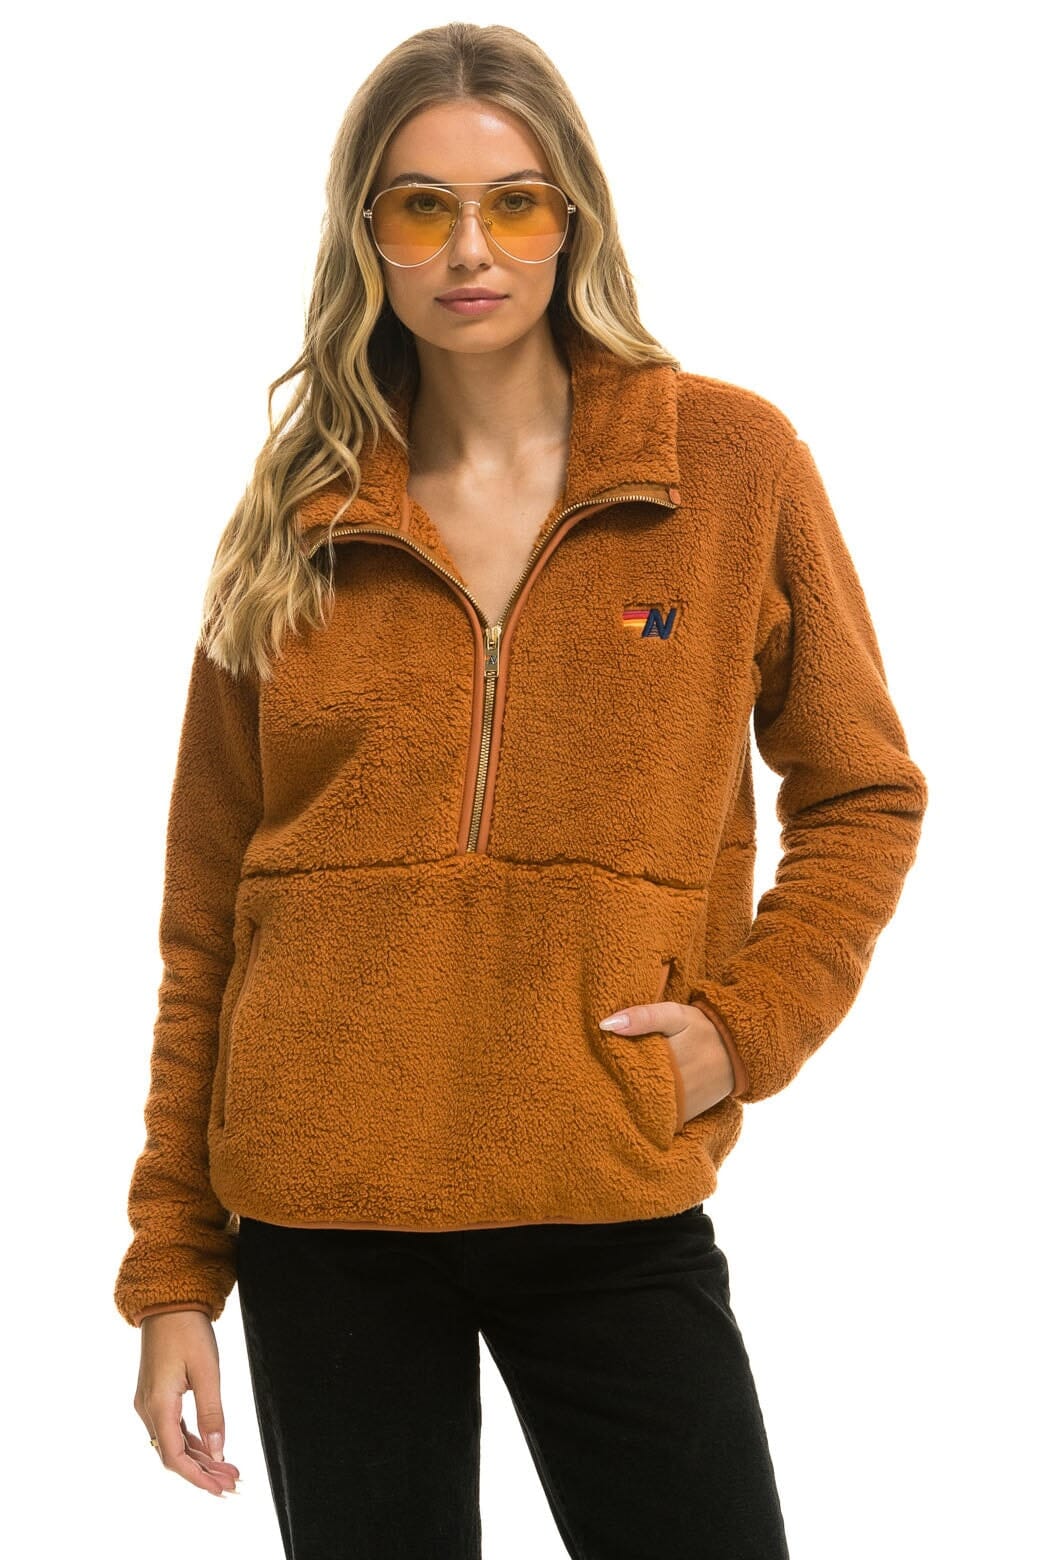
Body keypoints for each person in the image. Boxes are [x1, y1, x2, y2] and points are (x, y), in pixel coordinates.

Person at [115, 21, 928, 1560]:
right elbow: (205, 914)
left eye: (514, 203)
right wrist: (172, 1274)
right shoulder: (299, 511)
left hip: (603, 1179)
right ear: (369, 234)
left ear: (575, 218)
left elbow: (863, 793)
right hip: (322, 1206)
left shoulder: (727, 465)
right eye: (422, 206)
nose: (471, 249)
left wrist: (744, 1030)